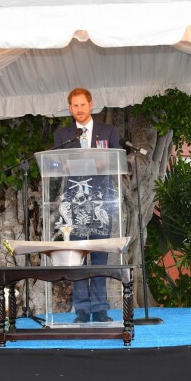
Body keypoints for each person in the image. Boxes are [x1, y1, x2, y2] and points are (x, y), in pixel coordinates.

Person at [53, 88, 120, 323]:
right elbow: (58, 166)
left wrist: (101, 164)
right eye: (75, 105)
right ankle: (82, 309)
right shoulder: (63, 135)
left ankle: (100, 309)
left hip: (102, 200)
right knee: (78, 257)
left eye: (83, 105)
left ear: (91, 105)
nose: (79, 109)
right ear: (70, 108)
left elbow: (115, 162)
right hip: (74, 203)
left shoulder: (109, 132)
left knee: (100, 256)